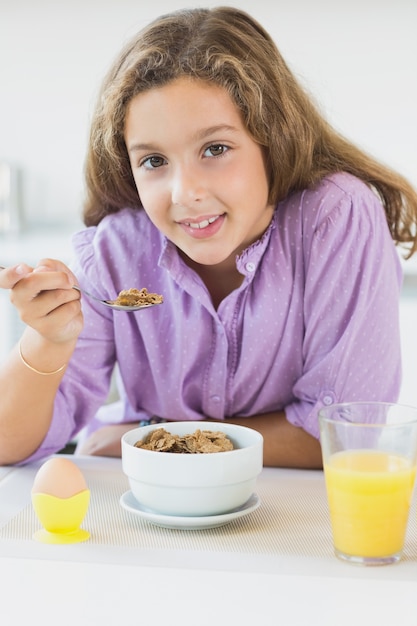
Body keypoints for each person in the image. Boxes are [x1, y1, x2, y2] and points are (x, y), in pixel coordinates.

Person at [0, 6, 416, 468]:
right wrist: (48, 340)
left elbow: (348, 435)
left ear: (273, 139)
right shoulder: (116, 254)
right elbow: (8, 446)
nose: (186, 193)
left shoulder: (334, 218)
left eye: (215, 149)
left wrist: (152, 437)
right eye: (154, 161)